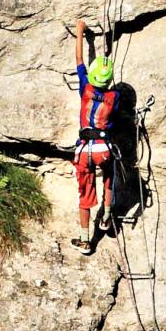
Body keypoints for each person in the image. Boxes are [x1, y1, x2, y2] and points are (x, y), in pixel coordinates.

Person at [70, 19, 120, 255]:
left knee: (85, 194)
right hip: (103, 147)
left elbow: (79, 61)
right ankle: (106, 217)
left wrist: (80, 33)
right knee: (110, 174)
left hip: (84, 149)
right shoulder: (114, 96)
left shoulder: (85, 87)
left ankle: (85, 240)